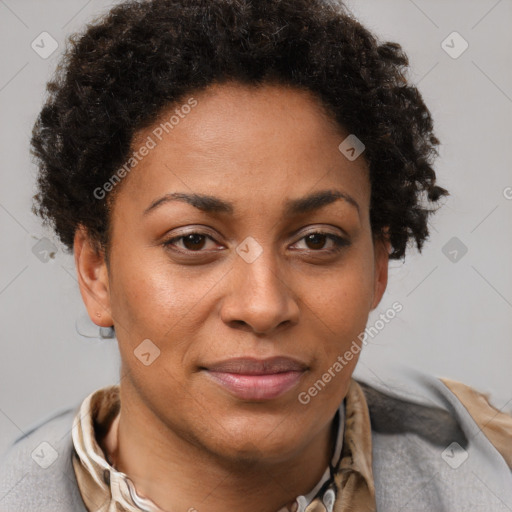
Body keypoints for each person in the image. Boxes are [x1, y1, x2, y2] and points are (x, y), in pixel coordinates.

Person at [1, 0, 511, 510]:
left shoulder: (491, 468)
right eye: (193, 240)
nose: (264, 306)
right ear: (96, 272)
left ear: (378, 266)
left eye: (317, 240)